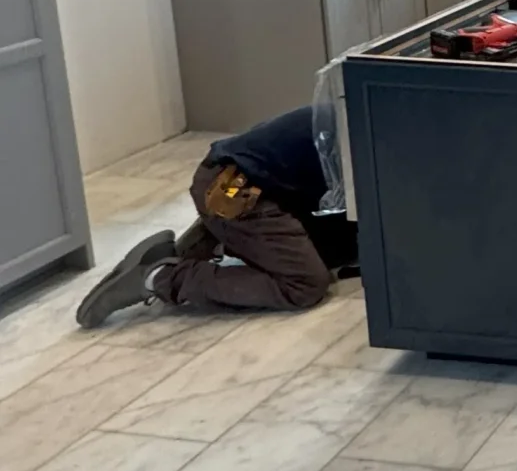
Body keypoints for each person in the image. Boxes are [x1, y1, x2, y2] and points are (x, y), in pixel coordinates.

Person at [76, 106, 356, 329]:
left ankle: (213, 239)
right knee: (304, 284)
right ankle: (159, 277)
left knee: (340, 249)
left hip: (241, 180)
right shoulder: (367, 132)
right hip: (234, 190)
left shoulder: (356, 109)